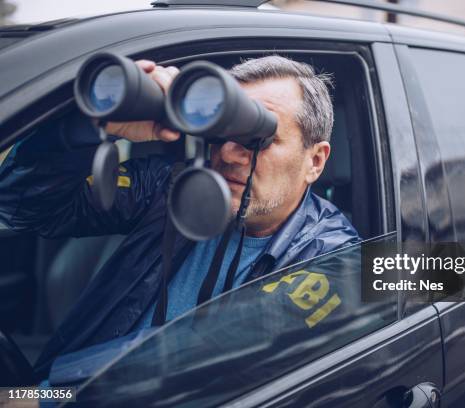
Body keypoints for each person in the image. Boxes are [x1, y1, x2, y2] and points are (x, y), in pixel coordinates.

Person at [0, 55, 359, 384]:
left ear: (315, 161)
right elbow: (25, 205)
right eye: (222, 132)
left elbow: (221, 354)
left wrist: (59, 394)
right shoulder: (172, 187)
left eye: (257, 138)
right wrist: (90, 128)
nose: (230, 153)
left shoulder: (339, 255)